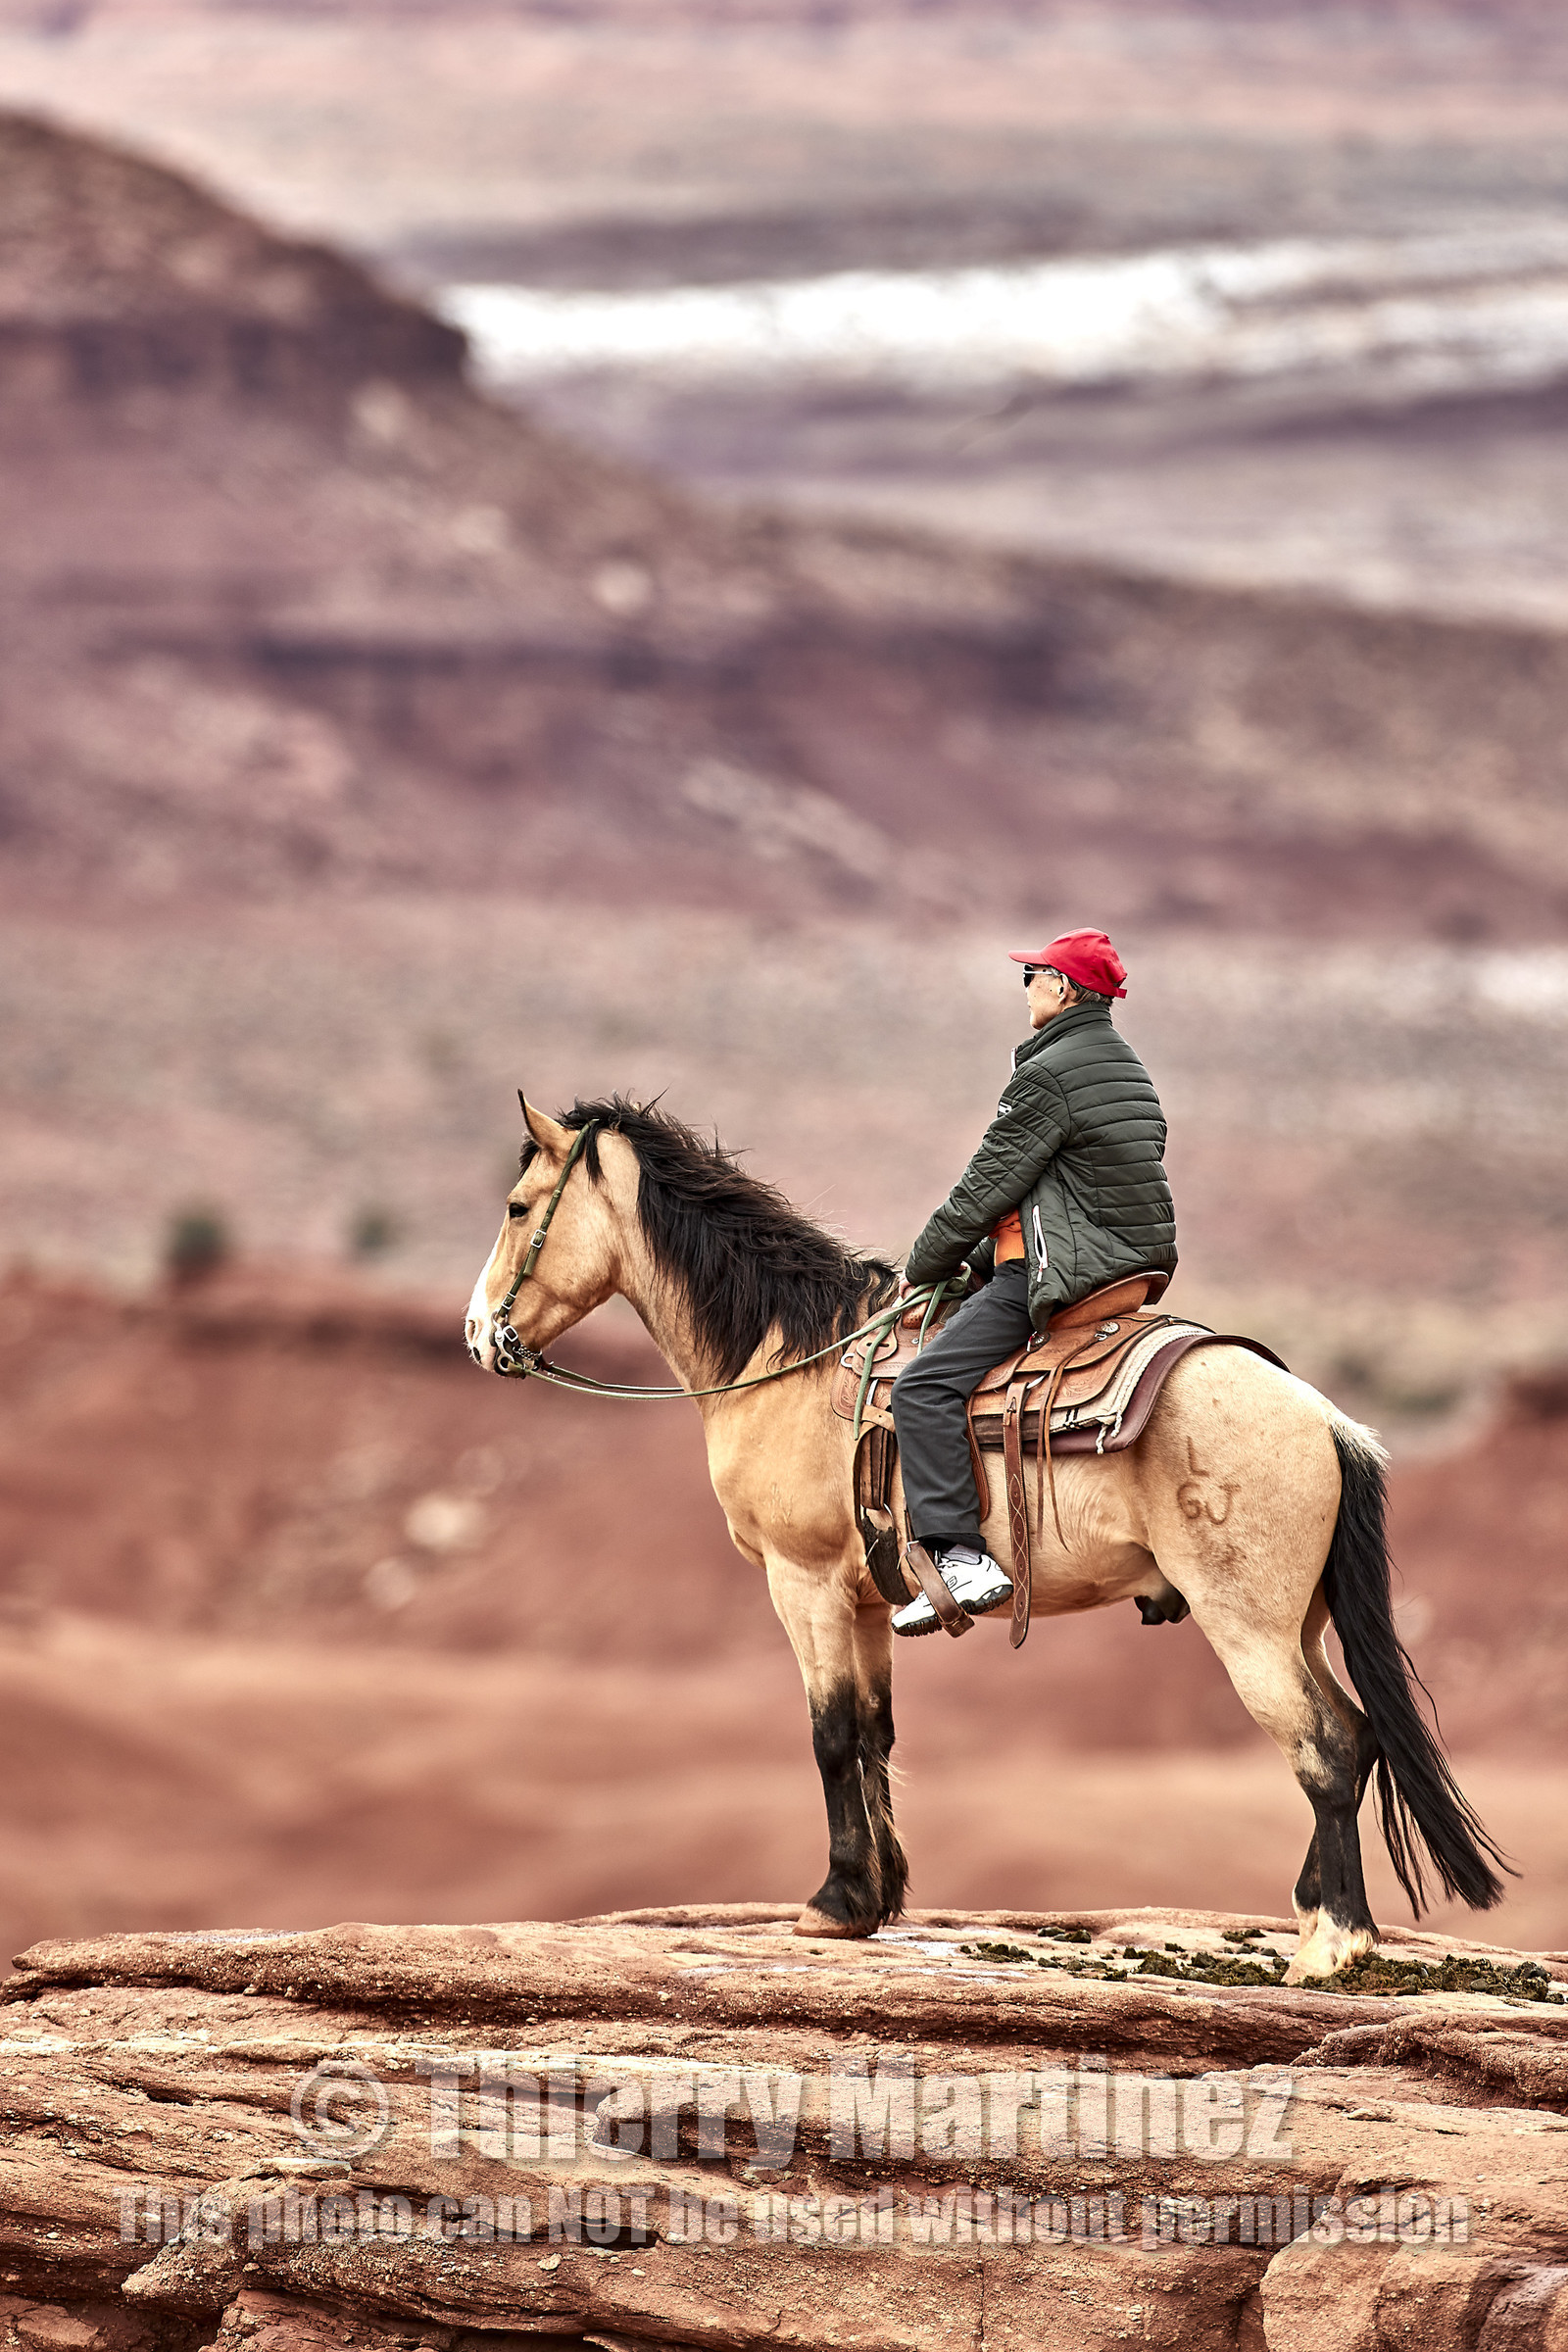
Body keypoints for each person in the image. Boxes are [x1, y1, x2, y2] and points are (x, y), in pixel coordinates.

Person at [888, 928, 1177, 1636]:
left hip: (1062, 1276)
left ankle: (962, 1559)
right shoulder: (1125, 1068)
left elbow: (987, 1187)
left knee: (921, 1388)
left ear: (1065, 989)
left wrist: (924, 1267)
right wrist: (980, 1264)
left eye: (1035, 975)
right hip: (1130, 1269)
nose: (1026, 987)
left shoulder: (1048, 1074)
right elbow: (1069, 1191)